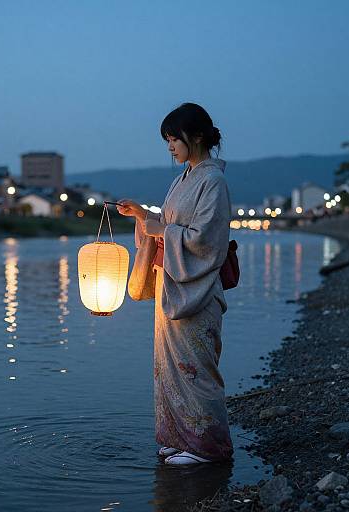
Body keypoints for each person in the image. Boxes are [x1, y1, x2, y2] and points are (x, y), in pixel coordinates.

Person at [117, 103, 233, 465]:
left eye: (173, 138)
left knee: (196, 369)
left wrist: (161, 229)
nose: (170, 146)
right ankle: (179, 437)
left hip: (195, 290)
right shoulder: (183, 178)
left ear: (196, 136)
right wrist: (143, 216)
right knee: (169, 368)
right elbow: (168, 224)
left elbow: (206, 241)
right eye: (167, 140)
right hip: (172, 286)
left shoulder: (212, 180)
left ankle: (207, 447)